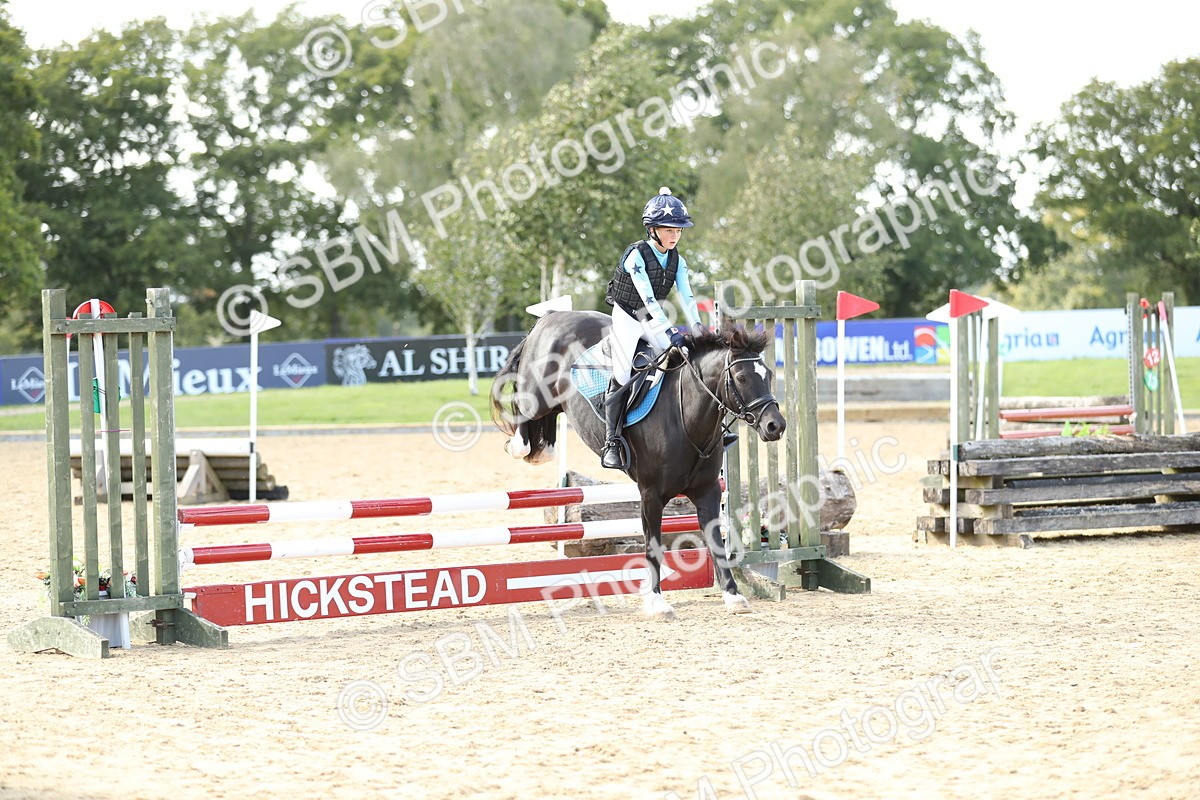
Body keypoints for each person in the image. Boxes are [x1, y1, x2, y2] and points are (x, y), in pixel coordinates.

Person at [600, 187, 704, 470]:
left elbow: (687, 296)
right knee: (622, 372)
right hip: (627, 316)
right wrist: (671, 331)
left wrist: (697, 329)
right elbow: (647, 298)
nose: (675, 235)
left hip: (650, 318)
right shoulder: (636, 256)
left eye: (679, 230)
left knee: (681, 359)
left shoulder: (677, 261)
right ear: (653, 229)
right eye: (669, 229)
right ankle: (612, 441)